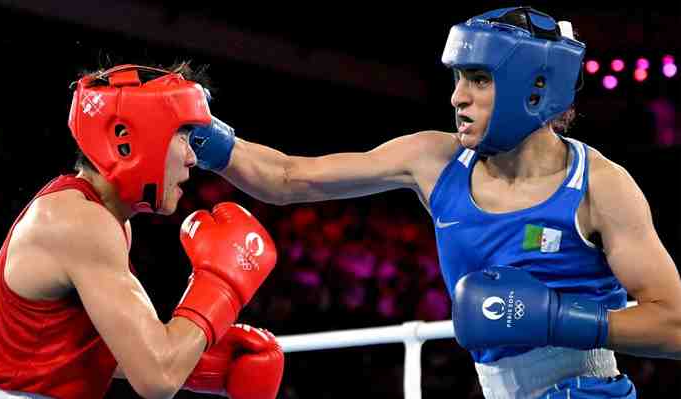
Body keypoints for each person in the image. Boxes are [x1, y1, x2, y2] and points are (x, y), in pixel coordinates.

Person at [189, 7, 681, 399]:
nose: (456, 98)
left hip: (589, 390)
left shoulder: (600, 186)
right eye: (458, 78)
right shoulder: (433, 160)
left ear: (535, 88)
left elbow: (674, 325)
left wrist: (560, 319)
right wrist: (204, 136)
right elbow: (289, 177)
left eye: (479, 80)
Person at [0, 64, 284, 399]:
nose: (193, 158)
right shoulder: (79, 223)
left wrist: (200, 364)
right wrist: (220, 286)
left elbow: (75, 349)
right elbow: (158, 378)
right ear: (128, 141)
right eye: (182, 136)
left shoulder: (98, 216)